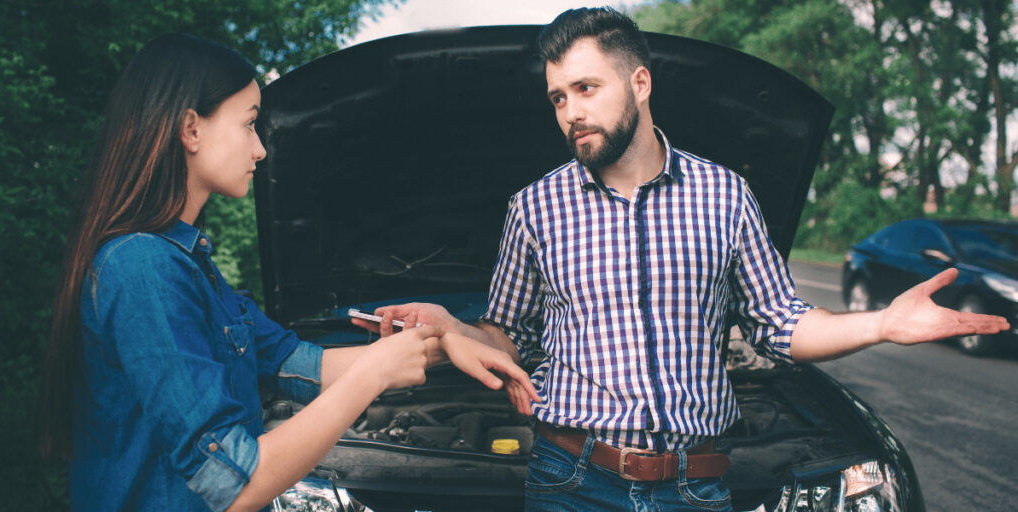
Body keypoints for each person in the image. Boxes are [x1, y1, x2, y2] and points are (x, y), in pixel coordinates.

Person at [355, 7, 1011, 512]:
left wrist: (882, 325)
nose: (570, 112)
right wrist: (447, 327)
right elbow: (506, 335)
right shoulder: (535, 208)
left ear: (639, 82)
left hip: (697, 487)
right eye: (558, 97)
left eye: (585, 88)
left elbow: (780, 323)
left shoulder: (725, 195)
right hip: (569, 478)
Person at [36, 33, 537, 512]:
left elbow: (295, 361)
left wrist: (444, 335)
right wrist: (374, 372)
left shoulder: (194, 268)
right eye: (249, 124)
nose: (260, 149)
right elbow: (235, 484)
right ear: (191, 129)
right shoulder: (141, 268)